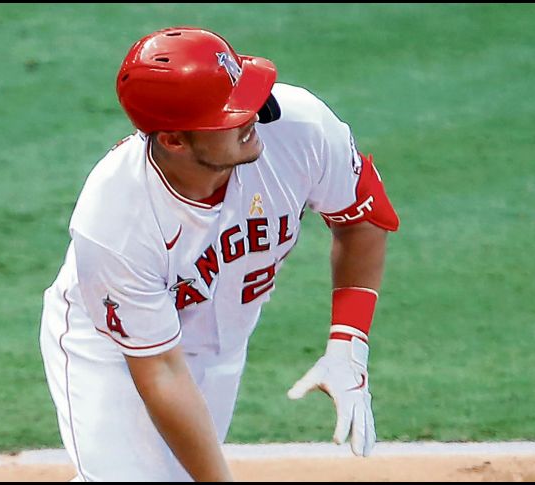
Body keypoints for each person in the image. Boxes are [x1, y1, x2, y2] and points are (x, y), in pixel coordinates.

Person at [39, 26, 399, 482]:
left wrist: (349, 341)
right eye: (230, 113)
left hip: (223, 343)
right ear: (174, 140)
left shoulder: (300, 129)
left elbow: (361, 218)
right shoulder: (117, 219)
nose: (255, 115)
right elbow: (160, 371)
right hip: (114, 348)